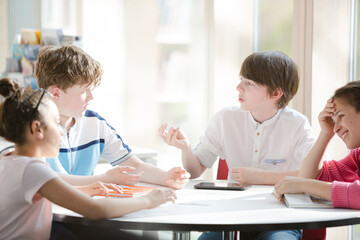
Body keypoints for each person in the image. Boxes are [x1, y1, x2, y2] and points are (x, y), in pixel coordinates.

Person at [160, 50, 312, 239]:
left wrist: (258, 177)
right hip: (230, 218)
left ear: (276, 93)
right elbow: (195, 170)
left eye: (249, 83)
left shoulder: (297, 124)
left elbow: (311, 175)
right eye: (241, 79)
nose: (239, 87)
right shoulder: (226, 118)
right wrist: (185, 148)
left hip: (281, 219)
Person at [0, 78, 177, 239]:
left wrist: (87, 189)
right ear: (37, 129)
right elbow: (95, 210)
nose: (62, 131)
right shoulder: (32, 169)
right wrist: (149, 200)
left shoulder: (9, 160)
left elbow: (43, 193)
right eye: (56, 123)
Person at [34, 44, 190, 189]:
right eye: (84, 91)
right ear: (56, 93)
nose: (91, 97)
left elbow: (135, 166)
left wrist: (165, 177)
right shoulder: (33, 128)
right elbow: (50, 180)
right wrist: (105, 178)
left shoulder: (95, 124)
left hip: (80, 211)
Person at [274, 80, 360, 209]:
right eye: (333, 121)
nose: (335, 128)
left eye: (341, 115)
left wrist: (303, 185)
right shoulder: (357, 156)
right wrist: (325, 133)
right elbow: (309, 177)